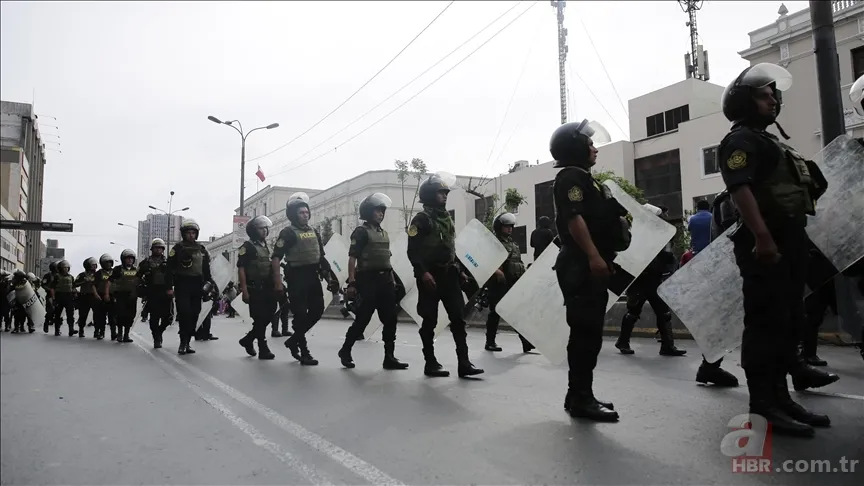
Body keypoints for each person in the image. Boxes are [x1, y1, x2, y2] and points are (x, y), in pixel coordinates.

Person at [718, 63, 836, 437]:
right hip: (766, 241)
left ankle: (781, 398)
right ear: (745, 102)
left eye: (773, 95)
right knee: (765, 324)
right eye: (764, 95)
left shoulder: (770, 141)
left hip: (790, 237)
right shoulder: (740, 141)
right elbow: (740, 188)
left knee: (788, 320)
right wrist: (763, 238)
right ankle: (763, 405)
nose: (773, 101)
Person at [550, 119, 628, 422]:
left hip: (588, 261)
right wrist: (594, 256)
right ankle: (581, 398)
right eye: (590, 143)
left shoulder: (584, 178)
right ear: (575, 147)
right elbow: (574, 219)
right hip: (581, 264)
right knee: (585, 332)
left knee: (589, 332)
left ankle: (579, 394)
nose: (595, 149)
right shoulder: (571, 177)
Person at [407, 173, 484, 378]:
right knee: (429, 321)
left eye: (445, 192)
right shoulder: (421, 220)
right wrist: (423, 273)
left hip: (449, 276)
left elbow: (451, 248)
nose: (444, 196)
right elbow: (412, 251)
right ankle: (430, 363)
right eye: (441, 193)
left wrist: (459, 271)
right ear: (431, 195)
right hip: (430, 278)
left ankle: (464, 363)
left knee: (458, 319)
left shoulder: (447, 218)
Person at [338, 193, 409, 370]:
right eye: (378, 211)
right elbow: (352, 259)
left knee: (390, 319)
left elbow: (387, 261)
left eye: (382, 211)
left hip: (385, 281)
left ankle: (389, 357)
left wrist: (392, 281)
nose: (381, 214)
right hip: (367, 280)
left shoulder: (383, 233)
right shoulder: (361, 232)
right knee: (362, 319)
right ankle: (345, 350)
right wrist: (352, 284)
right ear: (369, 212)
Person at [271, 193, 337, 366]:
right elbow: (276, 258)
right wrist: (278, 283)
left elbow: (321, 257)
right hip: (296, 278)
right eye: (301, 212)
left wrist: (329, 277)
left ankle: (293, 340)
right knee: (300, 315)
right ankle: (304, 350)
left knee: (317, 311)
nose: (305, 215)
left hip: (313, 277)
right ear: (293, 215)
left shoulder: (314, 231)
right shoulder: (288, 233)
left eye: (307, 212)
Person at [484, 212, 535, 353]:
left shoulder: (513, 244)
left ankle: (525, 342)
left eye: (511, 226)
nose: (510, 229)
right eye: (506, 226)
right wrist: (497, 271)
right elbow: (487, 260)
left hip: (513, 282)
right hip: (499, 284)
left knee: (516, 312)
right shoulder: (494, 242)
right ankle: (490, 342)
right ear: (500, 227)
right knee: (495, 312)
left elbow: (517, 262)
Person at [168, 219, 212, 355]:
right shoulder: (177, 249)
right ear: (183, 234)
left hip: (197, 286)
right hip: (182, 285)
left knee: (194, 314)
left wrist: (210, 285)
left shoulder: (202, 249)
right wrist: (169, 287)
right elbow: (169, 269)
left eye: (193, 233)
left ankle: (188, 342)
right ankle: (182, 342)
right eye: (188, 233)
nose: (191, 235)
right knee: (185, 313)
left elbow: (206, 271)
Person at [237, 215, 277, 360]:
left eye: (266, 228)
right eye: (262, 228)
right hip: (254, 288)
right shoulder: (247, 247)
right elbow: (241, 269)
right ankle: (262, 348)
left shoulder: (267, 246)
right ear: (254, 230)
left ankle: (248, 339)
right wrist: (244, 291)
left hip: (268, 287)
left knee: (270, 315)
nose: (265, 231)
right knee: (259, 318)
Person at [137, 238, 173, 348]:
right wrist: (142, 288)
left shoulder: (169, 263)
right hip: (151, 293)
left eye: (160, 248)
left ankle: (160, 331)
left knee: (168, 318)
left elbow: (174, 276)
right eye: (156, 247)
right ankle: (156, 338)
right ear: (152, 249)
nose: (158, 250)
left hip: (166, 292)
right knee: (154, 318)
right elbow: (137, 277)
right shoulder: (145, 263)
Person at [110, 249, 139, 343]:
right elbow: (111, 281)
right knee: (120, 314)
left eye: (131, 258)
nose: (130, 260)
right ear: (123, 259)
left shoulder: (137, 270)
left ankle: (126, 335)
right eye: (128, 258)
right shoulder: (118, 269)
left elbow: (140, 282)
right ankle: (119, 333)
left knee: (130, 315)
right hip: (120, 295)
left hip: (132, 296)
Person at [48, 260, 78, 337]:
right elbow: (52, 288)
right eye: (64, 267)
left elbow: (73, 287)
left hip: (69, 297)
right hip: (59, 296)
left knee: (70, 315)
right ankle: (57, 330)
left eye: (67, 267)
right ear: (60, 268)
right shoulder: (57, 276)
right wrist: (53, 298)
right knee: (58, 314)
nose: (66, 269)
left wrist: (75, 294)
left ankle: (71, 329)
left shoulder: (71, 277)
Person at [74, 257, 99, 337]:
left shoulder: (98, 274)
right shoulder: (82, 275)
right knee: (83, 314)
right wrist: (84, 281)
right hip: (84, 296)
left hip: (95, 296)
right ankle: (81, 329)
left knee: (97, 315)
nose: (94, 266)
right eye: (92, 265)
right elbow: (75, 284)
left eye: (95, 265)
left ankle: (97, 331)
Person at [93, 254, 115, 340]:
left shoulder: (114, 272)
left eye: (110, 262)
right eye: (106, 263)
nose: (108, 264)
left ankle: (114, 333)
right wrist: (96, 295)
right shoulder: (99, 273)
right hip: (101, 296)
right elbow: (93, 285)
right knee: (101, 316)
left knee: (112, 317)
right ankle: (101, 332)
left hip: (112, 296)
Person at [41, 262, 57, 333]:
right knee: (50, 310)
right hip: (49, 296)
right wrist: (49, 289)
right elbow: (43, 284)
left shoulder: (59, 275)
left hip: (58, 295)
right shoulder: (47, 275)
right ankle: (46, 323)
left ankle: (57, 329)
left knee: (58, 312)